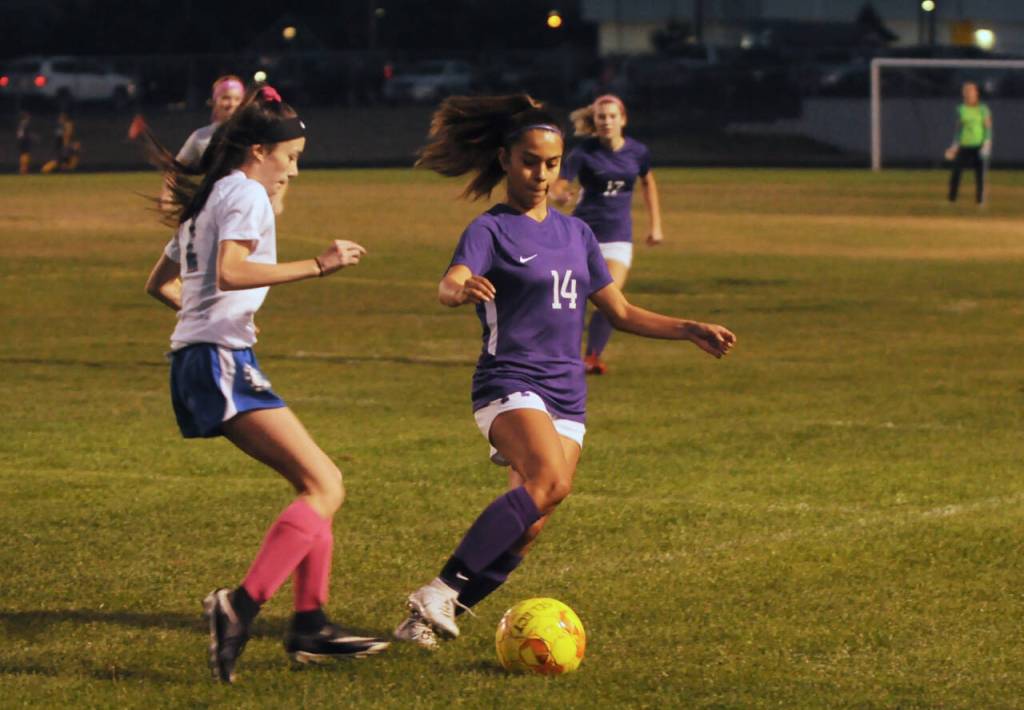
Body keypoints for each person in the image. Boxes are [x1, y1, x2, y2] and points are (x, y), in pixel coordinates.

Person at [392, 94, 735, 649]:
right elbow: (449, 281)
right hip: (509, 382)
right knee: (551, 480)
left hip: (567, 394)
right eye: (531, 161)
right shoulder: (490, 229)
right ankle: (438, 588)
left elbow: (619, 312)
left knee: (530, 525)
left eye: (552, 163)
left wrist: (685, 327)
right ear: (505, 160)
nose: (543, 174)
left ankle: (430, 620)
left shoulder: (578, 235)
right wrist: (458, 291)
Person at [140, 85, 388, 683]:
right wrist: (319, 264)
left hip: (207, 358)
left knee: (317, 481)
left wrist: (196, 321)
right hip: (219, 360)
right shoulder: (245, 192)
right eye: (291, 156)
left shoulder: (212, 196)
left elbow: (160, 281)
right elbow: (230, 271)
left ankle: (310, 626)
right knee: (325, 484)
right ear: (259, 150)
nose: (294, 170)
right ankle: (241, 605)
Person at [550, 94, 662, 375]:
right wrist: (560, 195)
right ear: (595, 121)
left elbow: (648, 183)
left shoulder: (637, 152)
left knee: (611, 296)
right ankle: (556, 354)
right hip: (582, 236)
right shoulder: (583, 153)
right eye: (601, 117)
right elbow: (559, 183)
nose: (607, 122)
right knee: (568, 300)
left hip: (617, 237)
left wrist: (656, 225)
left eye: (612, 116)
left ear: (623, 119)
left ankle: (592, 357)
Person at [155, 75, 246, 210]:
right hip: (214, 206)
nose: (231, 104)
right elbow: (176, 168)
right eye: (225, 98)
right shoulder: (201, 137)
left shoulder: (253, 134)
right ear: (215, 102)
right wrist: (167, 195)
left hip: (245, 203)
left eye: (237, 99)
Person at [945, 81, 992, 205]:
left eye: (970, 91)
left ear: (976, 93)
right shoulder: (961, 109)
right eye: (966, 91)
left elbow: (987, 127)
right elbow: (959, 129)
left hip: (979, 146)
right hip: (964, 145)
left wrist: (987, 143)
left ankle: (980, 201)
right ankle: (952, 199)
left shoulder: (983, 109)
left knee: (980, 175)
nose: (968, 94)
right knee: (956, 172)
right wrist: (954, 146)